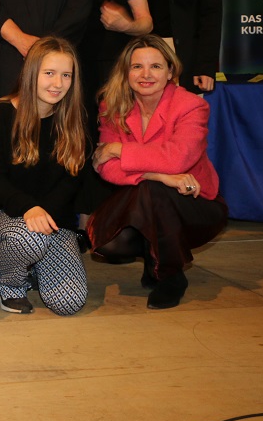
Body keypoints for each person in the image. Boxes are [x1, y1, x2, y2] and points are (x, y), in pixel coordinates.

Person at [88, 35, 228, 309]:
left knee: (154, 192)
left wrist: (118, 148)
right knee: (148, 192)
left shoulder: (191, 105)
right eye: (137, 67)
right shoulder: (112, 106)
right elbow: (103, 167)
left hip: (196, 204)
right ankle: (156, 256)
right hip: (143, 202)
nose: (145, 74)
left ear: (171, 71)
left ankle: (171, 276)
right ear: (125, 72)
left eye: (156, 66)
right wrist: (159, 175)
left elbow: (177, 159)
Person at [0, 37, 88, 315]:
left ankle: (35, 263)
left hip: (52, 220)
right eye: (49, 73)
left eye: (66, 75)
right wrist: (29, 208)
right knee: (29, 238)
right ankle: (9, 285)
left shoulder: (74, 119)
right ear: (31, 73)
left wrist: (44, 215)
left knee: (69, 302)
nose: (58, 83)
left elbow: (71, 181)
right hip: (3, 215)